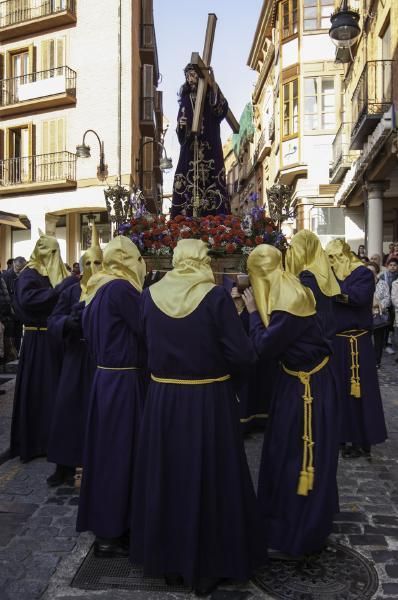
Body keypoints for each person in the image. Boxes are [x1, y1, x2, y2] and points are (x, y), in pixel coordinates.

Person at [130, 239, 263, 596]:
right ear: (202, 261)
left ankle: (170, 562)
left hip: (163, 399)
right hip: (208, 400)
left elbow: (144, 347)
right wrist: (249, 319)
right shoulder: (216, 297)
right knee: (210, 478)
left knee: (168, 476)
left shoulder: (150, 295)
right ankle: (208, 565)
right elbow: (243, 355)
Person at [242, 244, 339, 559]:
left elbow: (264, 348)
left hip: (307, 390)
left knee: (297, 457)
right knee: (284, 452)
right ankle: (284, 524)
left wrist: (254, 313)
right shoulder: (288, 284)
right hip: (294, 382)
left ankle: (300, 531)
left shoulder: (289, 299)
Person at [76, 236, 147, 559]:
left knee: (106, 454)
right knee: (119, 455)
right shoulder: (120, 290)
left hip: (105, 379)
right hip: (122, 381)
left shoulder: (97, 287)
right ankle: (112, 531)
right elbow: (145, 328)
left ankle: (109, 528)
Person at [10, 234, 75, 462]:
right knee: (38, 391)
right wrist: (57, 292)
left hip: (54, 340)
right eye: (52, 253)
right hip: (37, 342)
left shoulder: (52, 273)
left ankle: (51, 440)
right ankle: (35, 441)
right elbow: (28, 301)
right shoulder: (30, 274)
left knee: (53, 391)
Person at [46, 228, 103, 487]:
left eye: (97, 262)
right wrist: (67, 323)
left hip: (98, 360)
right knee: (67, 409)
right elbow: (53, 320)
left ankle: (96, 464)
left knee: (97, 412)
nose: (92, 267)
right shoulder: (70, 291)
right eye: (87, 263)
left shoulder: (109, 290)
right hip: (74, 357)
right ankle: (63, 464)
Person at [326, 239, 387, 458]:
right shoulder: (332, 276)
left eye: (334, 258)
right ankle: (342, 435)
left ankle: (362, 440)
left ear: (344, 255)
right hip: (338, 344)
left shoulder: (362, 274)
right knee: (339, 392)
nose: (331, 263)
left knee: (361, 394)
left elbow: (357, 298)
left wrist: (332, 289)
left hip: (358, 344)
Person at [171, 64, 230, 217]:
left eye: (193, 75)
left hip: (211, 147)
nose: (190, 79)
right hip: (191, 150)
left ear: (200, 76)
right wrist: (182, 126)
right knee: (184, 180)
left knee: (214, 182)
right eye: (188, 76)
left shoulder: (210, 95)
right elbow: (181, 130)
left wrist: (213, 83)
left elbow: (220, 110)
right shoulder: (185, 99)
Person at [285, 229, 340, 344]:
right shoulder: (326, 273)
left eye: (293, 249)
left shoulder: (307, 279)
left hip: (314, 343)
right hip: (327, 337)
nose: (289, 254)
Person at [367, 262, 390, 368]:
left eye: (372, 270)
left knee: (378, 340)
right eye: (368, 270)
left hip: (379, 314)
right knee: (366, 340)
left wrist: (379, 304)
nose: (370, 272)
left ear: (376, 271)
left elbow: (387, 298)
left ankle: (377, 361)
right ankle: (366, 360)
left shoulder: (383, 283)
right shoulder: (363, 283)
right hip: (365, 315)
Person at [3, 256, 26, 354]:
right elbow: (6, 294)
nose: (19, 270)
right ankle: (11, 353)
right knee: (10, 333)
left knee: (19, 332)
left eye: (21, 268)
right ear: (13, 265)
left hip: (20, 309)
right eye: (17, 268)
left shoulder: (24, 275)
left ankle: (17, 352)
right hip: (10, 310)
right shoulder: (6, 276)